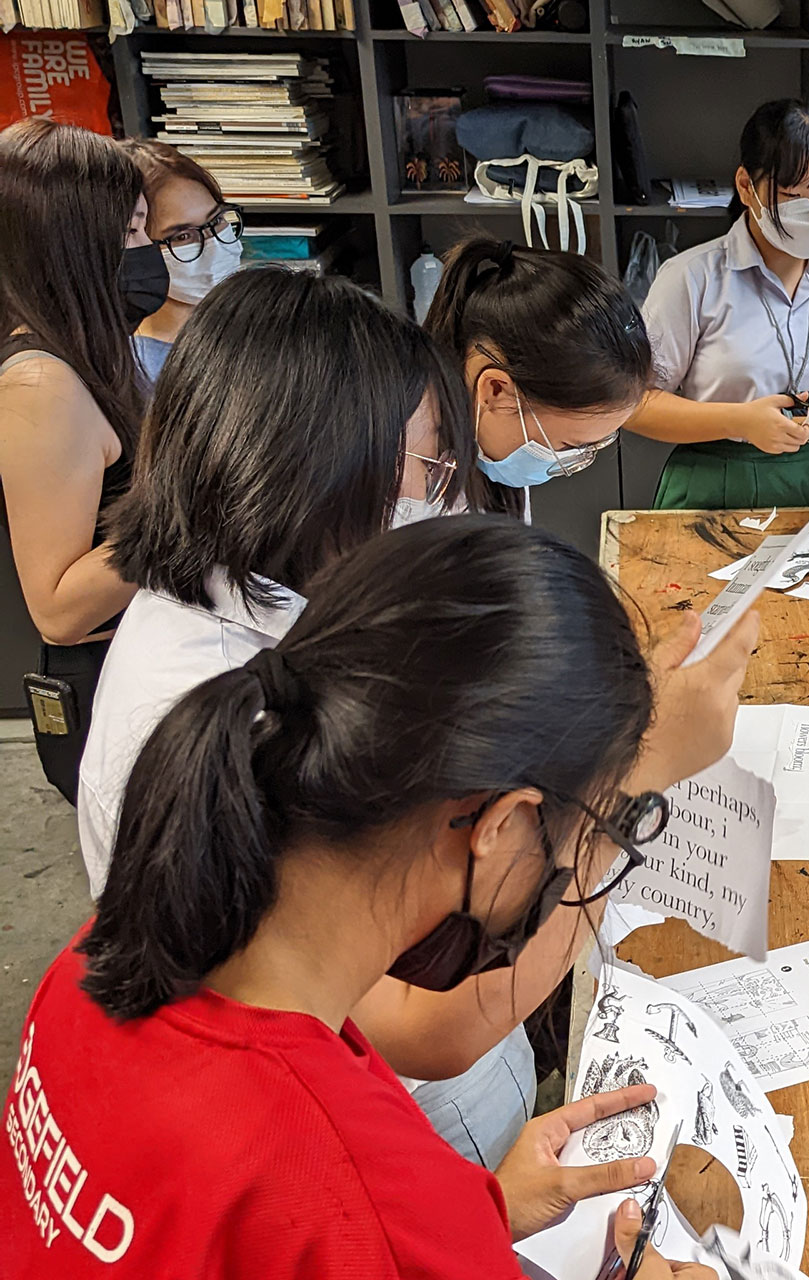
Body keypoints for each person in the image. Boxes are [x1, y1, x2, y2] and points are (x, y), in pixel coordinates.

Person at [79, 268, 755, 1169]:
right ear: (312, 470)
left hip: (455, 1013)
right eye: (430, 468)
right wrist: (630, 780)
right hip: (406, 1114)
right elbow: (429, 1031)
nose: (441, 496)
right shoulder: (206, 705)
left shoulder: (276, 596)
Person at [3, 514, 726, 1280]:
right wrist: (433, 1232)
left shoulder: (98, 955)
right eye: (597, 832)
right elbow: (333, 1214)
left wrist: (463, 1216)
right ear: (504, 826)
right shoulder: (357, 1196)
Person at [626, 99, 809, 508]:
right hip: (714, 482)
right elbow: (635, 405)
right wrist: (739, 421)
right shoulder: (692, 278)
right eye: (792, 196)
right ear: (746, 186)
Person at [0, 119, 161, 805]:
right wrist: (198, 509)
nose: (148, 251)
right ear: (73, 245)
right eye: (131, 232)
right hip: (110, 695)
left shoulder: (93, 352)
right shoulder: (43, 386)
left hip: (146, 659)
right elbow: (59, 610)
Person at [423, 234, 652, 518]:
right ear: (495, 390)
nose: (569, 463)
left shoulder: (486, 440)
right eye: (569, 447)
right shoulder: (400, 480)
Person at [124, 139, 245, 382]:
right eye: (182, 236)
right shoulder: (138, 373)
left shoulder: (250, 326)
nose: (213, 243)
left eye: (216, 220)